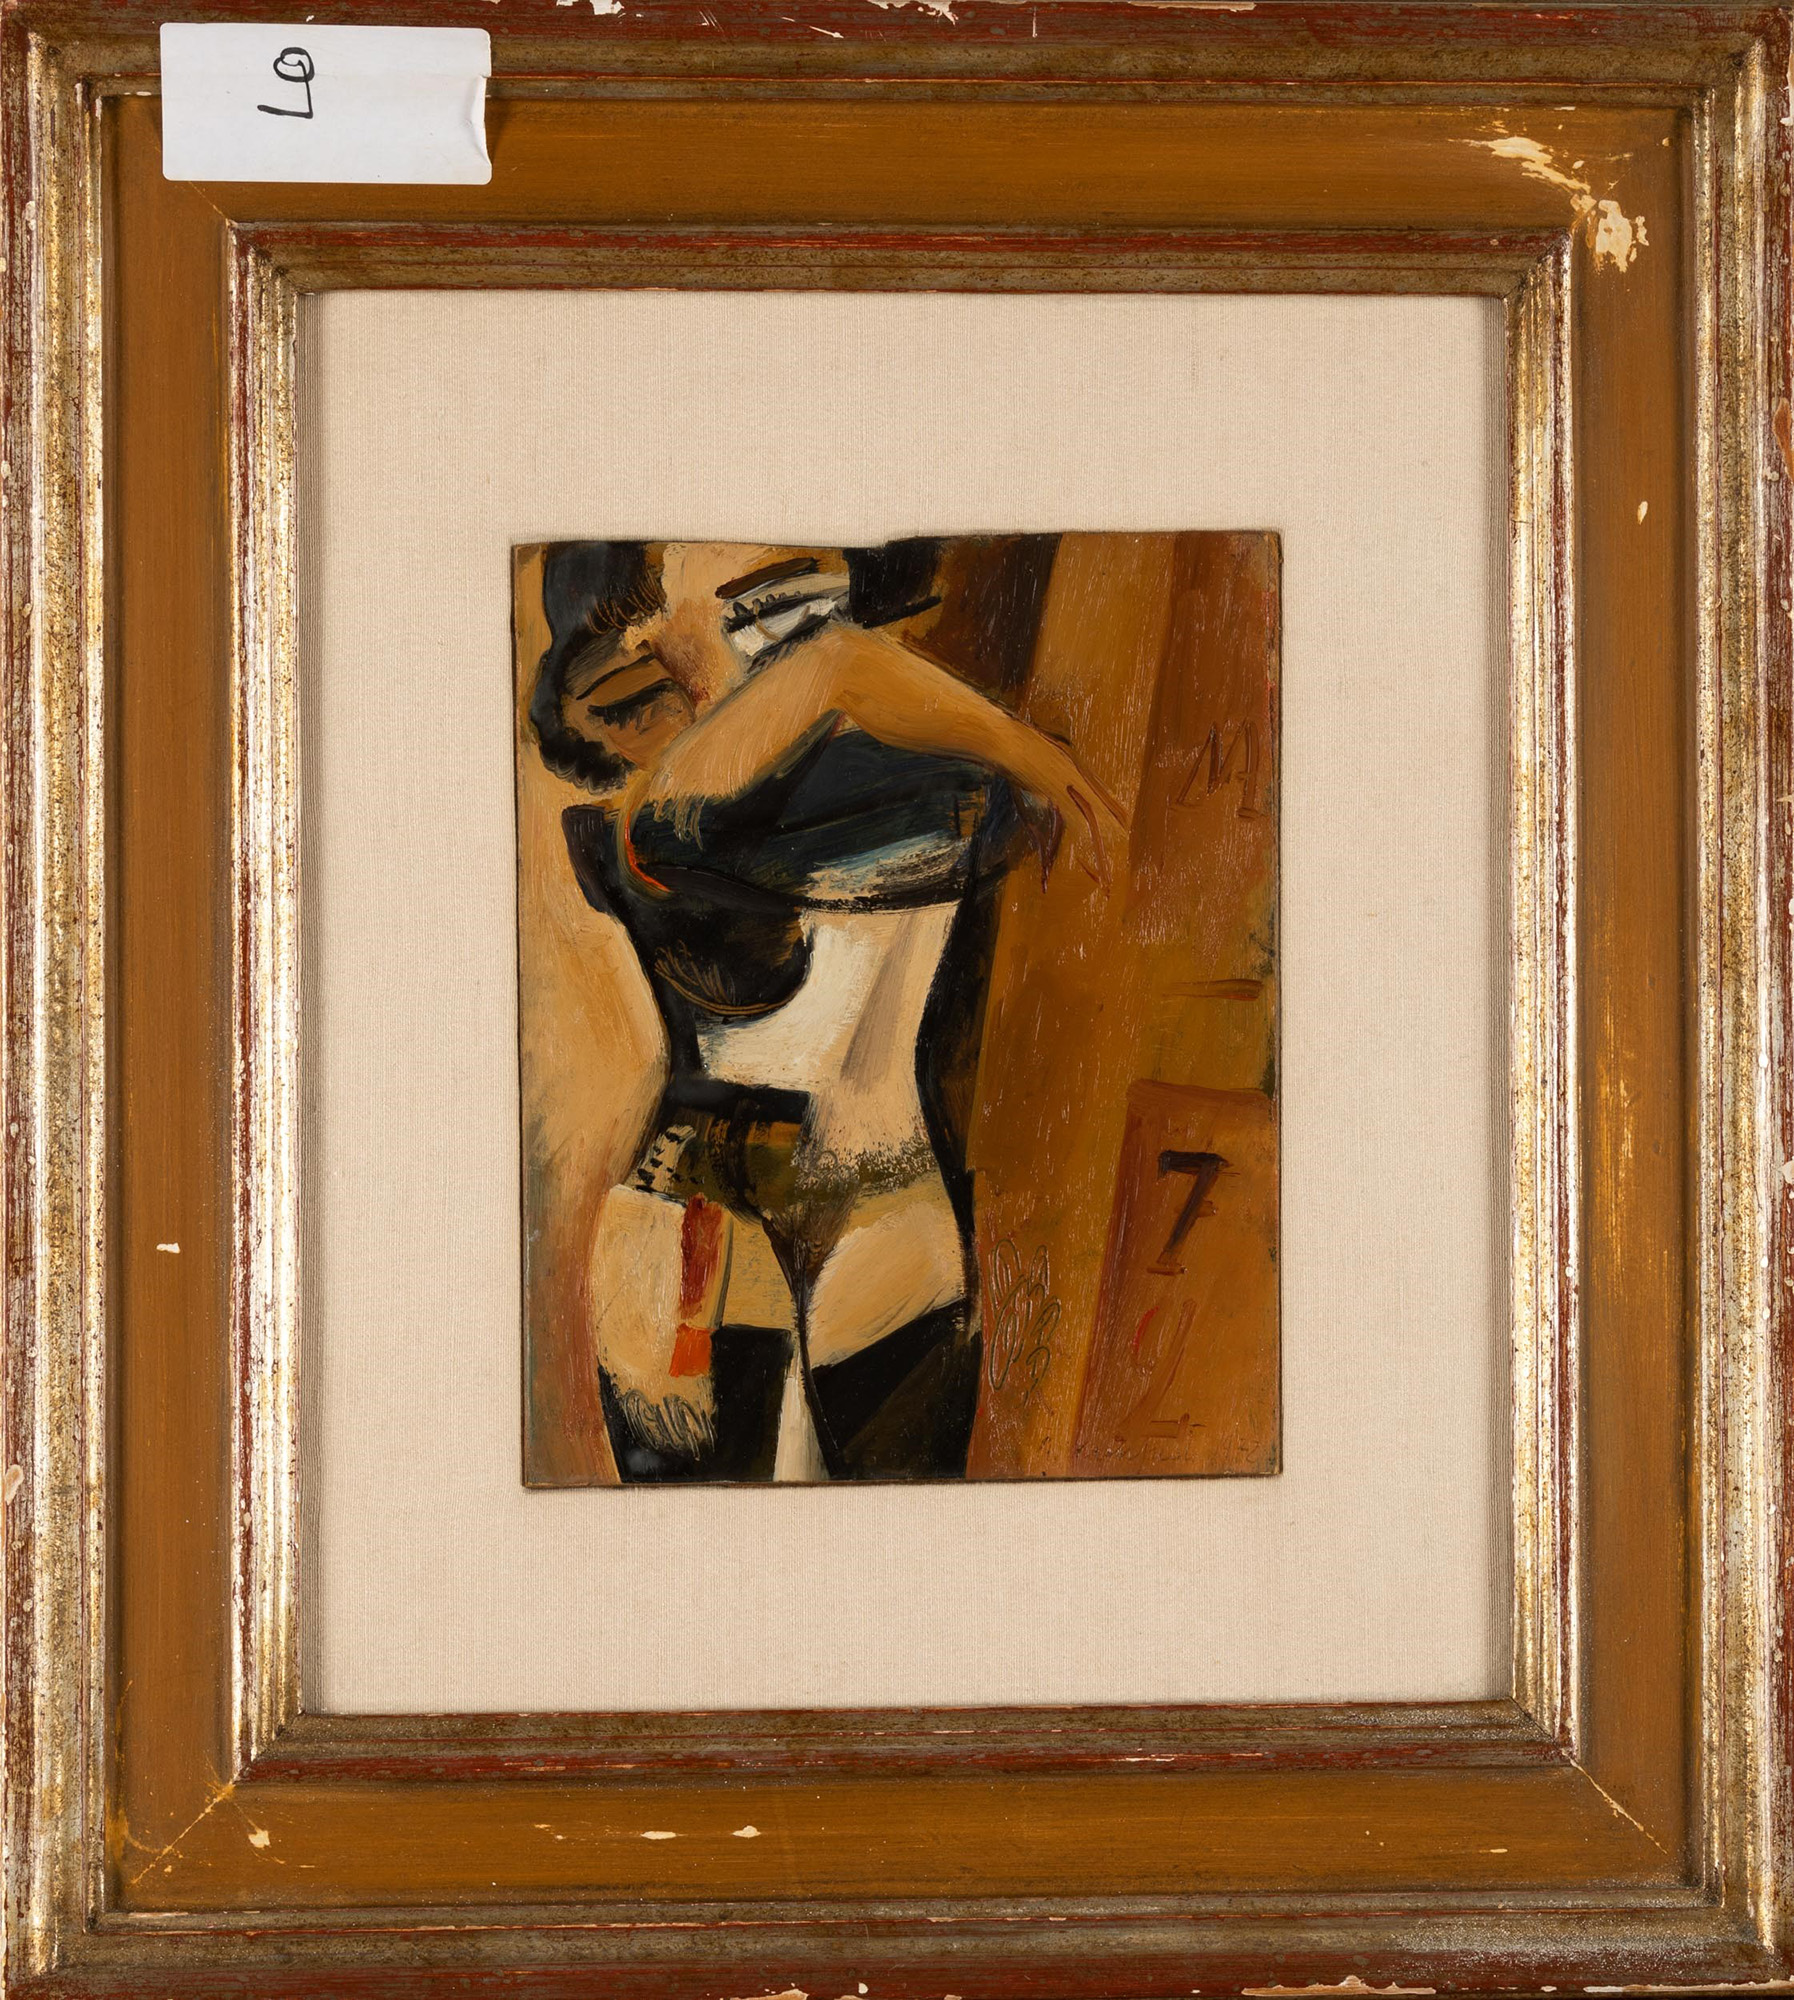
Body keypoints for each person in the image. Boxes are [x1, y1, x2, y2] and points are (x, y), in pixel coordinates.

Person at [527, 539, 1121, 1482]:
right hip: (719, 1219)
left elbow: (841, 673)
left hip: (860, 1206)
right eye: (635, 677)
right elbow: (836, 664)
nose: (770, 632)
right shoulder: (666, 805)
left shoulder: (900, 770)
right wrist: (1034, 756)